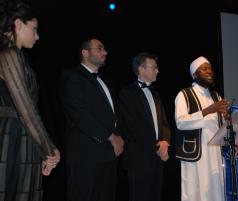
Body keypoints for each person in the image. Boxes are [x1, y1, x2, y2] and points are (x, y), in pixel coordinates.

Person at [0, 1, 60, 201]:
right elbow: (26, 108)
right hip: (11, 137)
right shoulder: (8, 55)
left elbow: (30, 108)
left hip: (24, 136)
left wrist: (46, 148)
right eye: (34, 29)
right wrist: (49, 149)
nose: (37, 36)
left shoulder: (19, 57)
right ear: (18, 24)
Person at [60, 37, 124, 201]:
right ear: (85, 53)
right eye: (100, 48)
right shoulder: (72, 76)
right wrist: (111, 136)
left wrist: (119, 137)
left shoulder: (105, 81)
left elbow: (115, 115)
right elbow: (79, 115)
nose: (105, 52)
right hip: (86, 156)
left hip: (109, 154)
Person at [174, 56, 229, 201]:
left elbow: (221, 127)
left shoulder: (216, 96)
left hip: (215, 154)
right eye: (204, 69)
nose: (209, 71)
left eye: (210, 68)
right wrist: (207, 110)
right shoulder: (184, 94)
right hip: (196, 156)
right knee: (195, 193)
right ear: (195, 74)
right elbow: (181, 122)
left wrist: (226, 118)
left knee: (216, 191)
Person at [119, 52, 171, 201]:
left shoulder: (156, 94)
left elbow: (164, 123)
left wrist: (165, 142)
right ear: (141, 70)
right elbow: (133, 126)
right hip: (139, 158)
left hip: (157, 157)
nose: (157, 71)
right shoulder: (127, 93)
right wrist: (157, 147)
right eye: (153, 68)